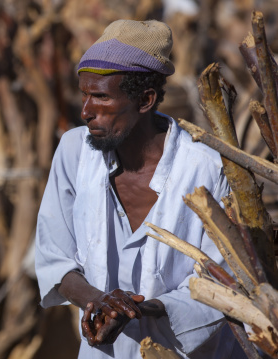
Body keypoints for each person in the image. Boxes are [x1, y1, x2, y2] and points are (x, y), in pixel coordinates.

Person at [34, 19, 245, 358]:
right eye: (84, 95)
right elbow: (55, 258)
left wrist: (135, 310)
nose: (86, 111)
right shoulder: (74, 151)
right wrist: (97, 301)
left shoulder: (206, 169)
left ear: (145, 100)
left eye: (101, 98)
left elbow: (224, 281)